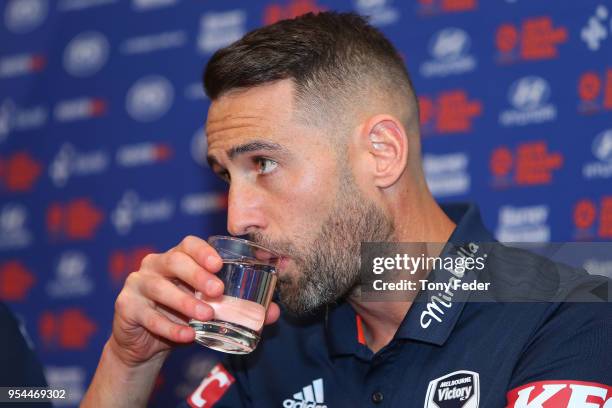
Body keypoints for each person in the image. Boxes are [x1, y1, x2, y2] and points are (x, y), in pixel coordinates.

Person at [82, 12, 612, 407]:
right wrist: (129, 362)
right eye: (226, 175)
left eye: (263, 163)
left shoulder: (565, 321)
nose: (237, 218)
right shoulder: (273, 344)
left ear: (382, 153)